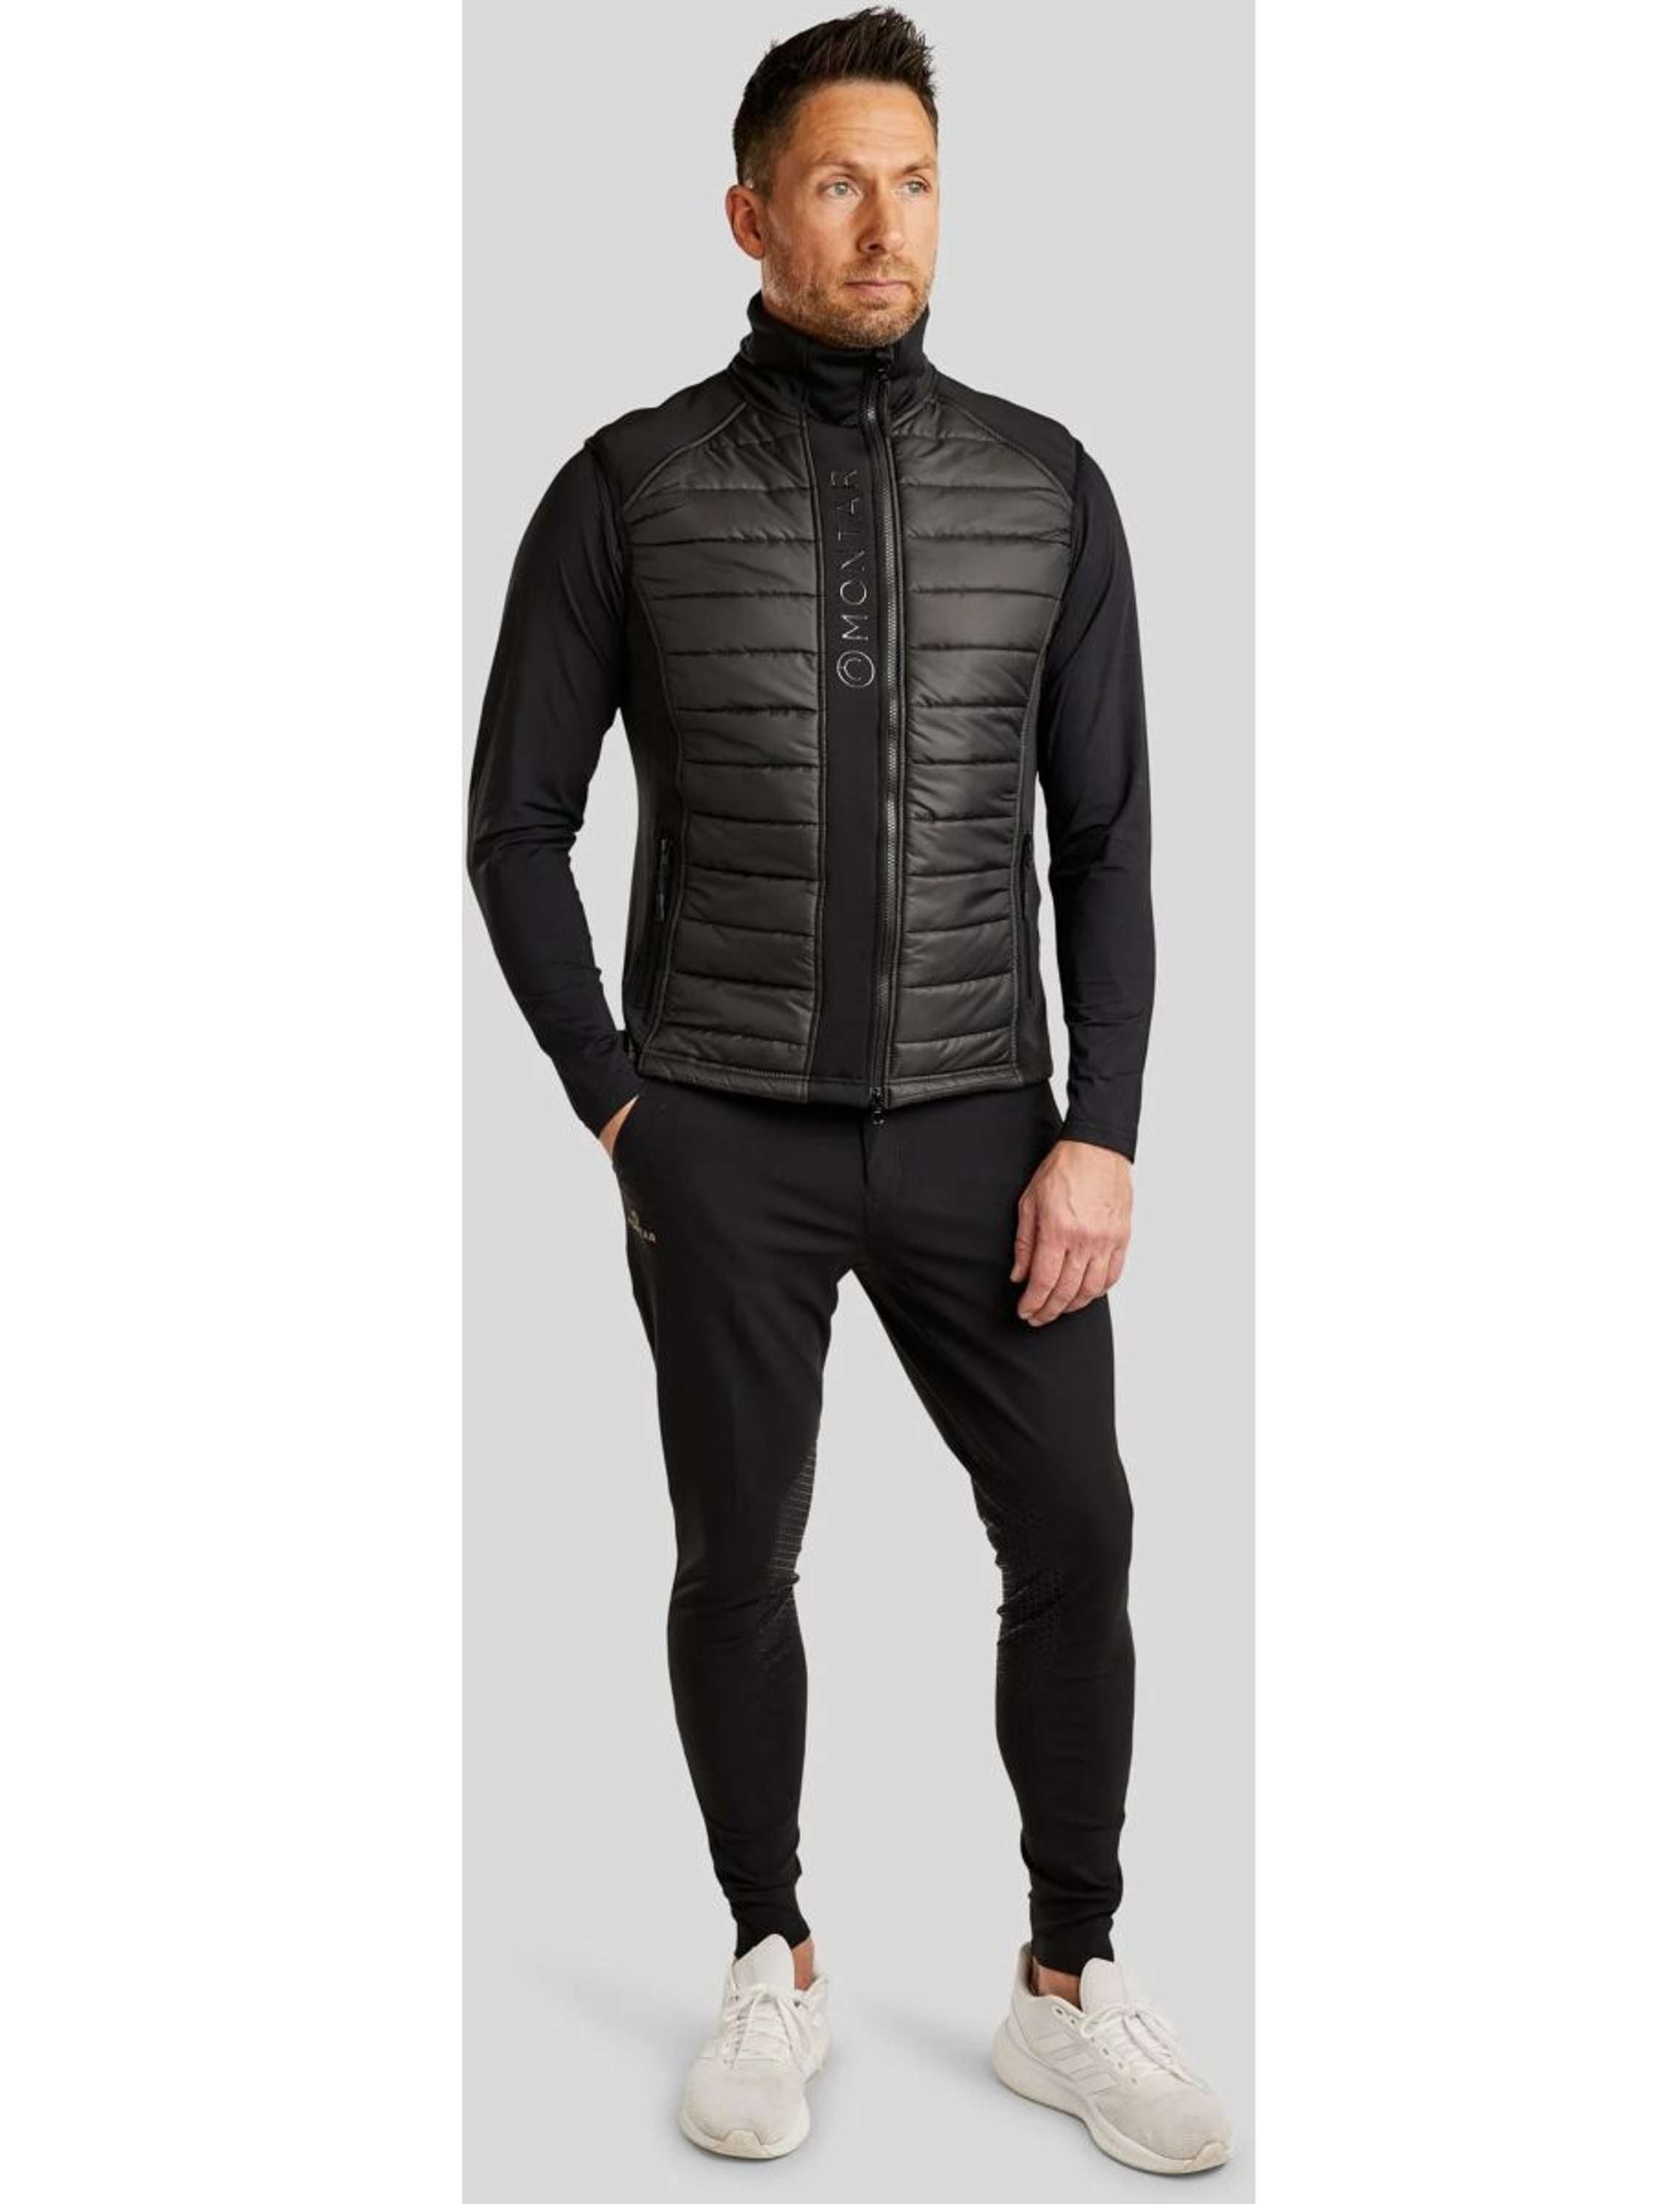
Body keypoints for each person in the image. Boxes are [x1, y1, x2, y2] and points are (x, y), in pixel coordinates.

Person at [466, 5, 1231, 2175]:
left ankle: (1069, 1984)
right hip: (719, 1128)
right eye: (837, 183)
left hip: (993, 1123)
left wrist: (1106, 1127)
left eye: (916, 183)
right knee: (740, 1553)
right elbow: (516, 825)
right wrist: (620, 1107)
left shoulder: (1049, 484)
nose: (885, 226)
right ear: (750, 214)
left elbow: (1106, 838)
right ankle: (769, 1952)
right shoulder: (624, 487)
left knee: (1076, 1527)